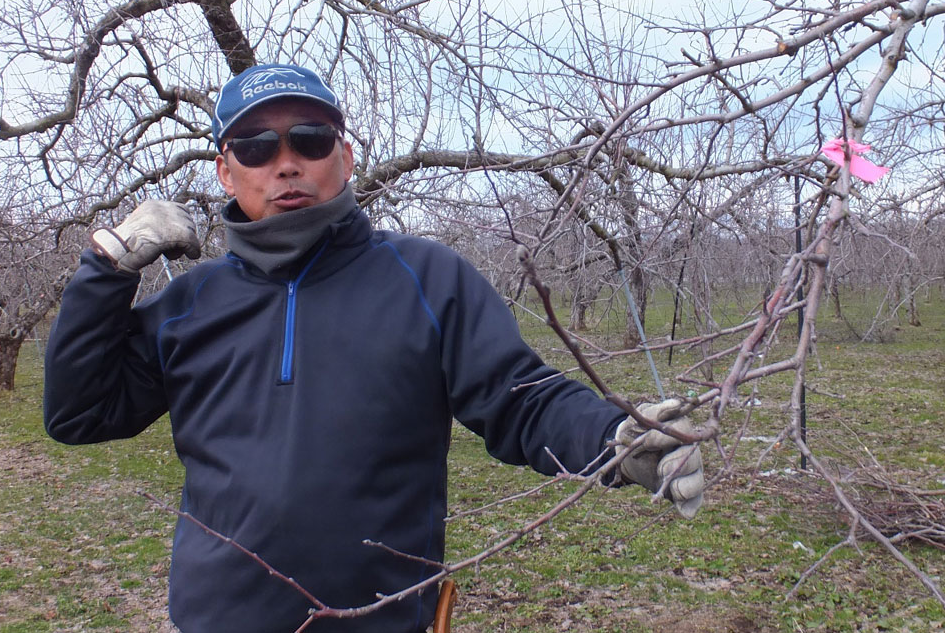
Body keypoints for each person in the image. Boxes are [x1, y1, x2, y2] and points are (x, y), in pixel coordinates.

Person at [43, 63, 704, 633]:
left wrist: (617, 439)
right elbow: (80, 414)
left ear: (345, 156)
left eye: (310, 137)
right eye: (254, 145)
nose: (286, 161)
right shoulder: (190, 305)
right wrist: (107, 266)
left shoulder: (426, 279)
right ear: (224, 170)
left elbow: (520, 401)